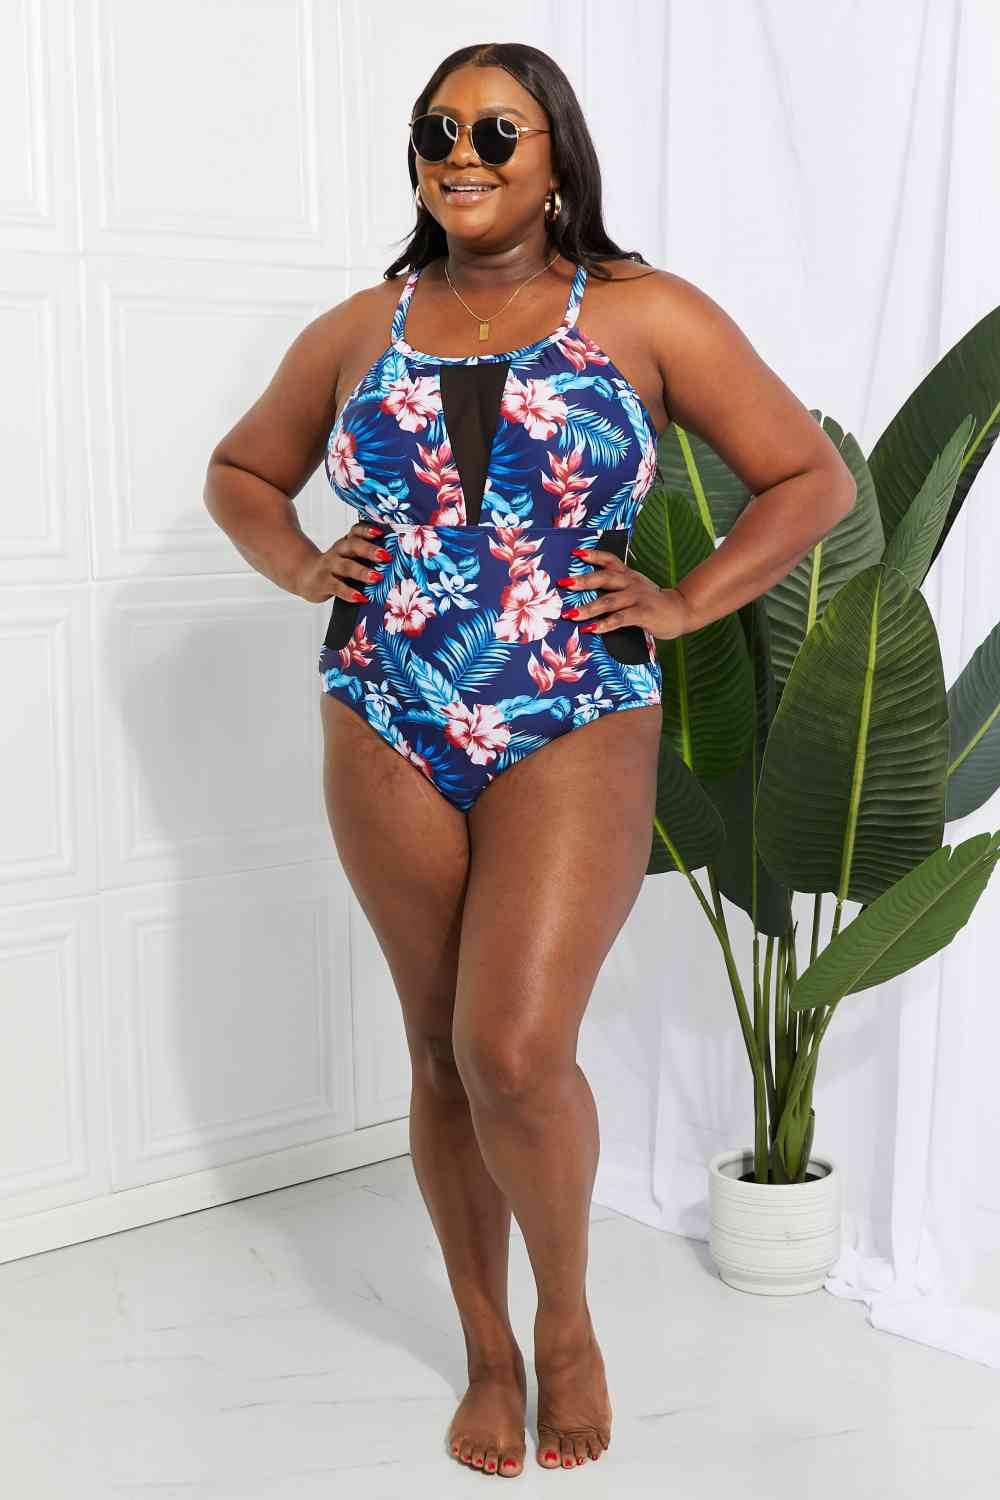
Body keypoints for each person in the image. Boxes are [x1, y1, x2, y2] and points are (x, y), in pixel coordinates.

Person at [204, 40, 855, 1480]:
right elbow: (241, 473)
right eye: (438, 130)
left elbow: (809, 477)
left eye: (497, 132)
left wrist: (685, 601)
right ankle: (488, 1349)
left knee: (513, 1048)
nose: (463, 154)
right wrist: (305, 565)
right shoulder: (356, 330)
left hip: (575, 702)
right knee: (442, 1050)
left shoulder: (645, 313)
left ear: (557, 153)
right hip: (383, 705)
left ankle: (566, 1324)